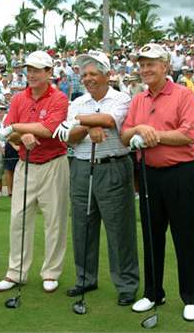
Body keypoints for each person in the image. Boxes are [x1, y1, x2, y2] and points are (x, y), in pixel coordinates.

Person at [121, 43, 194, 321]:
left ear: (165, 66)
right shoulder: (139, 99)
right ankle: (153, 293)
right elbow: (124, 134)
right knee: (151, 236)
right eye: (142, 65)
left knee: (185, 236)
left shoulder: (183, 95)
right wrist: (139, 130)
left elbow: (188, 135)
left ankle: (191, 297)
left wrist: (151, 134)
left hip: (180, 174)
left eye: (151, 64)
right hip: (148, 175)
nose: (145, 69)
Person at [53, 50, 139, 306]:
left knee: (119, 229)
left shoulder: (121, 98)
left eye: (93, 73)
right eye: (84, 74)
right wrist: (90, 125)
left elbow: (109, 119)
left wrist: (84, 123)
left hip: (113, 167)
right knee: (83, 226)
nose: (87, 78)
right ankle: (85, 278)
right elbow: (69, 137)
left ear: (107, 75)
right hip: (81, 167)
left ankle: (126, 284)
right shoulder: (78, 101)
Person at [0, 51, 69, 294]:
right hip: (25, 164)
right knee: (18, 219)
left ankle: (51, 272)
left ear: (49, 73)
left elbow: (48, 130)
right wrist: (21, 134)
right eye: (29, 69)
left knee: (54, 221)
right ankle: (16, 272)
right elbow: (8, 133)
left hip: (54, 163)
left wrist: (16, 128)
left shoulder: (59, 98)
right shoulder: (18, 99)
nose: (32, 74)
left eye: (38, 70)